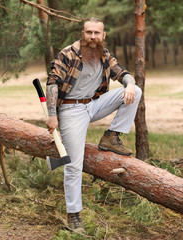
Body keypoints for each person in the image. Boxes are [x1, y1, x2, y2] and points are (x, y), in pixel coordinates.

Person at [45, 17, 142, 232]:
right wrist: (53, 115)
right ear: (83, 33)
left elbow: (122, 73)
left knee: (136, 91)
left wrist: (131, 84)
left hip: (94, 104)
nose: (92, 37)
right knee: (73, 164)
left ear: (103, 35)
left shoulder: (104, 54)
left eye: (97, 33)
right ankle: (73, 214)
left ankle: (112, 136)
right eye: (89, 32)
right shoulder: (68, 54)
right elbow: (52, 83)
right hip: (71, 109)